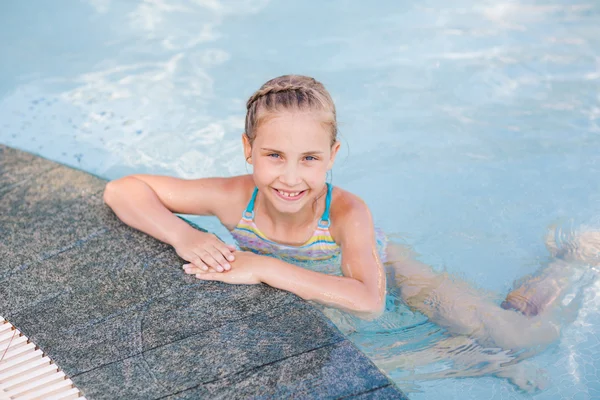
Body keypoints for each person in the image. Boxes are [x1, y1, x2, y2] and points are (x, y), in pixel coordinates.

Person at [103, 75, 599, 386]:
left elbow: (368, 299)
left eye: (310, 159)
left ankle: (564, 261)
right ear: (247, 149)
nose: (291, 177)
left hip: (395, 272)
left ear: (333, 157)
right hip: (319, 283)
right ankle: (485, 359)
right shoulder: (233, 196)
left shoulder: (347, 212)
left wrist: (264, 267)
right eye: (274, 155)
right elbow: (123, 190)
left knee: (518, 334)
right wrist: (183, 235)